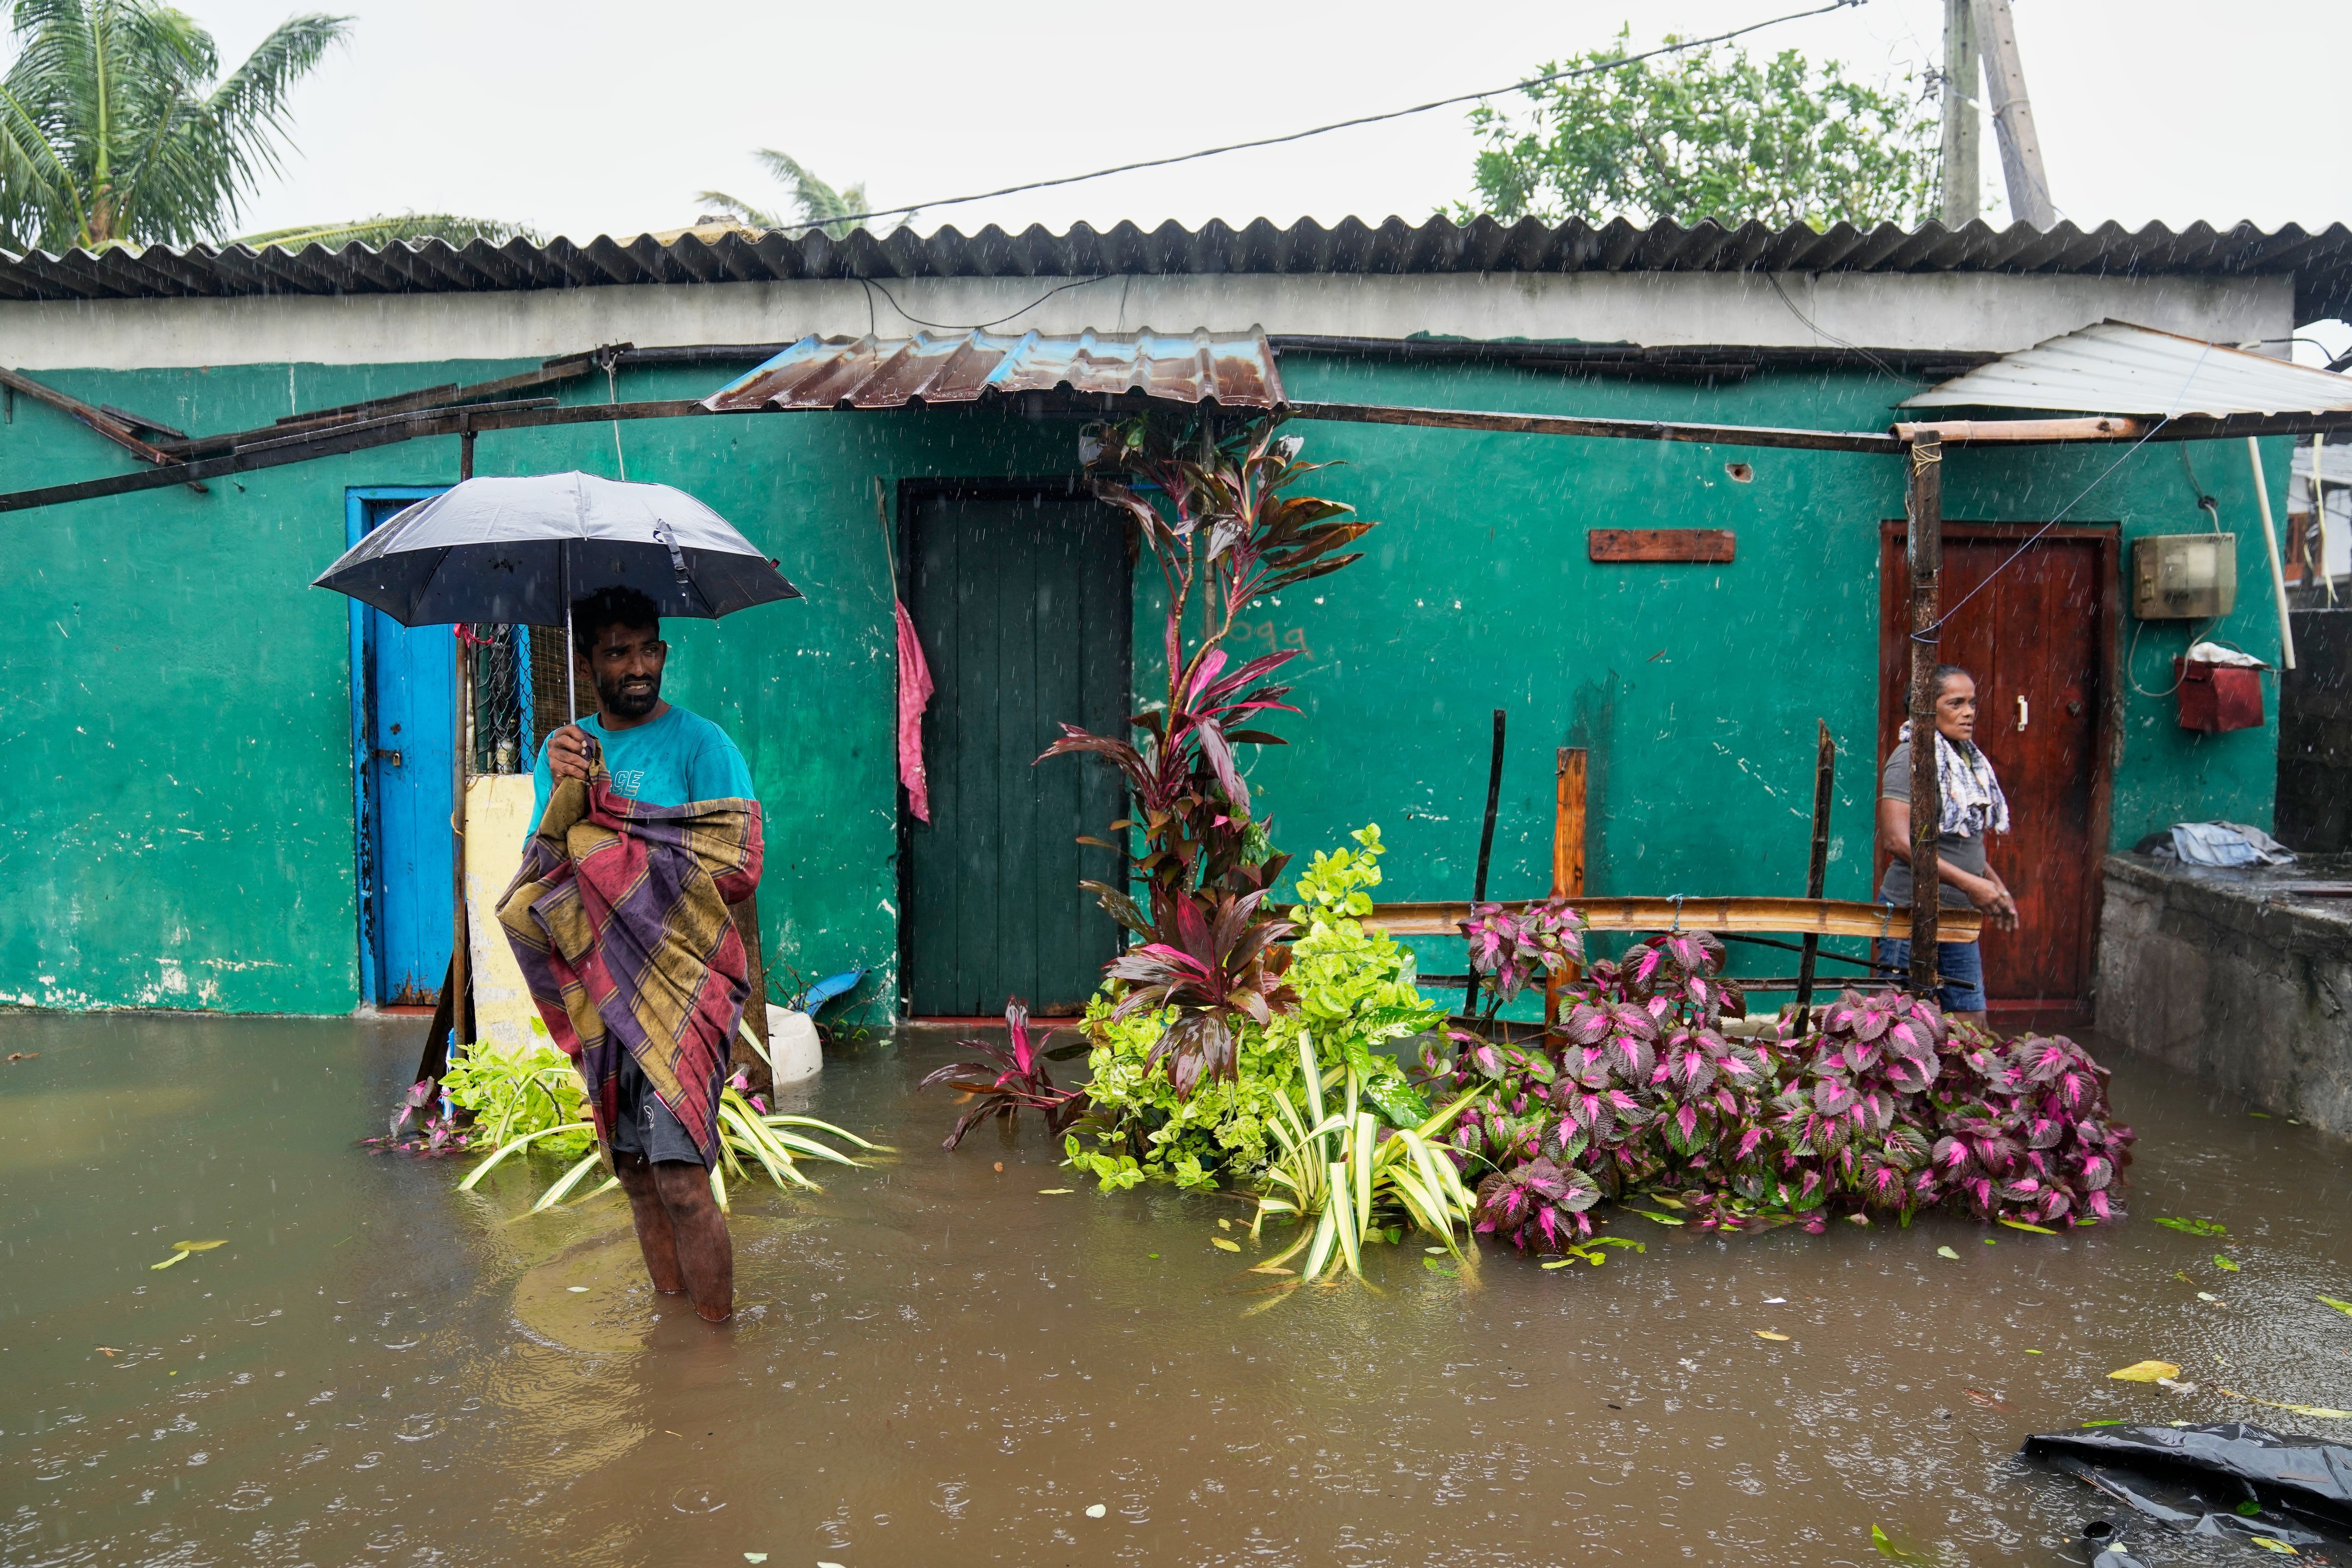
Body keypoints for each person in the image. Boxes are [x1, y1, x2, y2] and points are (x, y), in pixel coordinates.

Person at [528, 585, 759, 1322]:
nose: (636, 666)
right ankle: (675, 1333)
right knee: (633, 1173)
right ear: (589, 662)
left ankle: (716, 1348)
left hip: (685, 989)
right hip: (606, 991)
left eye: (647, 649)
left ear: (663, 651)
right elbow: (546, 869)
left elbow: (740, 866)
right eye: (616, 652)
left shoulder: (703, 745)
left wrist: (623, 843)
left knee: (683, 1178)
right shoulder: (562, 754)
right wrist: (570, 791)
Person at [1873, 664, 2018, 1026]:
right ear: (1925, 706)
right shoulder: (1911, 758)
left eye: (1972, 703)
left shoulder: (1965, 762)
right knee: (1896, 1027)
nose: (1969, 712)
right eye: (1956, 703)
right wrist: (1972, 884)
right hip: (1910, 910)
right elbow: (1897, 840)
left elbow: (1961, 843)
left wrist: (1994, 885)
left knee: (1971, 1023)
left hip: (1956, 917)